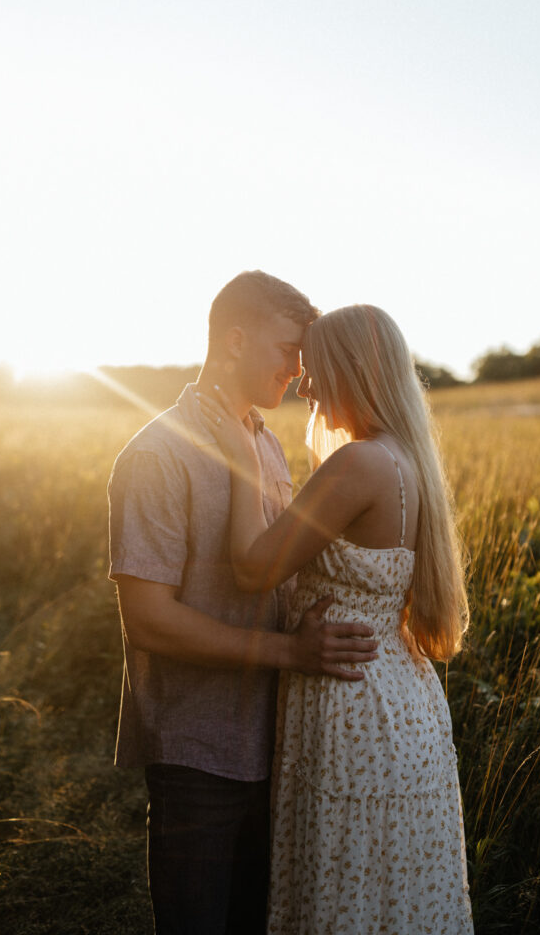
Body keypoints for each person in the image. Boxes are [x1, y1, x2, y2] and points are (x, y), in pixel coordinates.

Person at [107, 272, 379, 935]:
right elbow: (147, 620)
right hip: (197, 751)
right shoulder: (157, 454)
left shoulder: (265, 441)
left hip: (279, 742)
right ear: (234, 341)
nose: (299, 371)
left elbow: (269, 571)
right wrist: (290, 649)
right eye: (287, 350)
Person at [198, 304, 474, 935]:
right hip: (402, 707)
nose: (306, 384)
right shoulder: (407, 458)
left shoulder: (357, 465)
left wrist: (240, 450)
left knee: (346, 891)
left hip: (353, 710)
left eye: (317, 368)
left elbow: (252, 568)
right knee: (389, 894)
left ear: (355, 369)